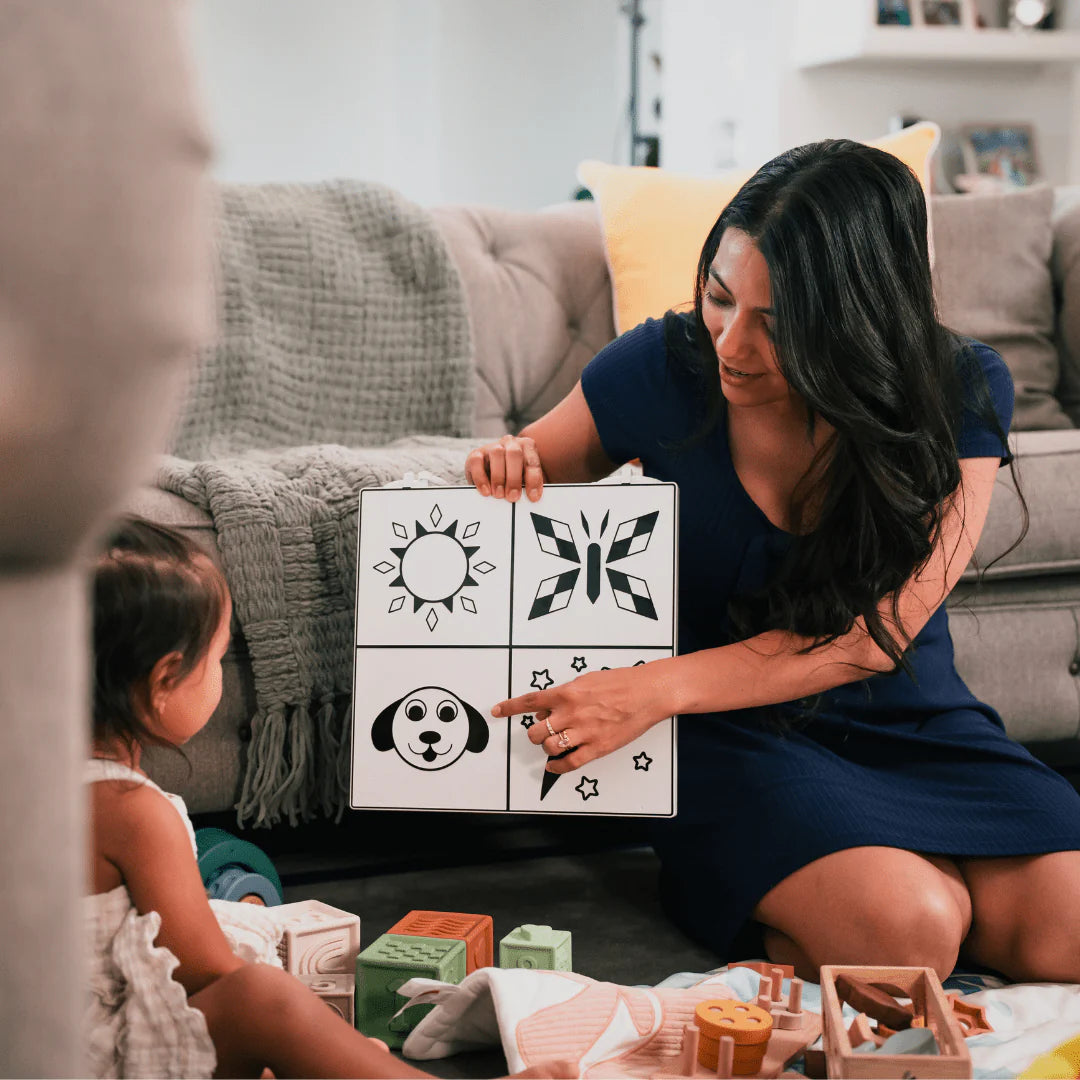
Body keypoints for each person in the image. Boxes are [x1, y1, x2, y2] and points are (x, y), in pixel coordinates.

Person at [465, 138, 1080, 985]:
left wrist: (647, 689)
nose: (731, 343)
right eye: (721, 297)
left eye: (778, 322)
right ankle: (839, 903)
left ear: (864, 315)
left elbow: (878, 636)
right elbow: (526, 469)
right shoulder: (665, 363)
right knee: (914, 931)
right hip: (727, 728)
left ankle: (855, 908)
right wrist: (504, 467)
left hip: (912, 720)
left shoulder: (961, 385)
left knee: (1069, 932)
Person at [87, 515, 571, 1079]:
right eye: (219, 659)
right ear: (165, 678)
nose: (221, 675)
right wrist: (329, 1045)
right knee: (267, 999)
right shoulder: (132, 811)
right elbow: (206, 974)